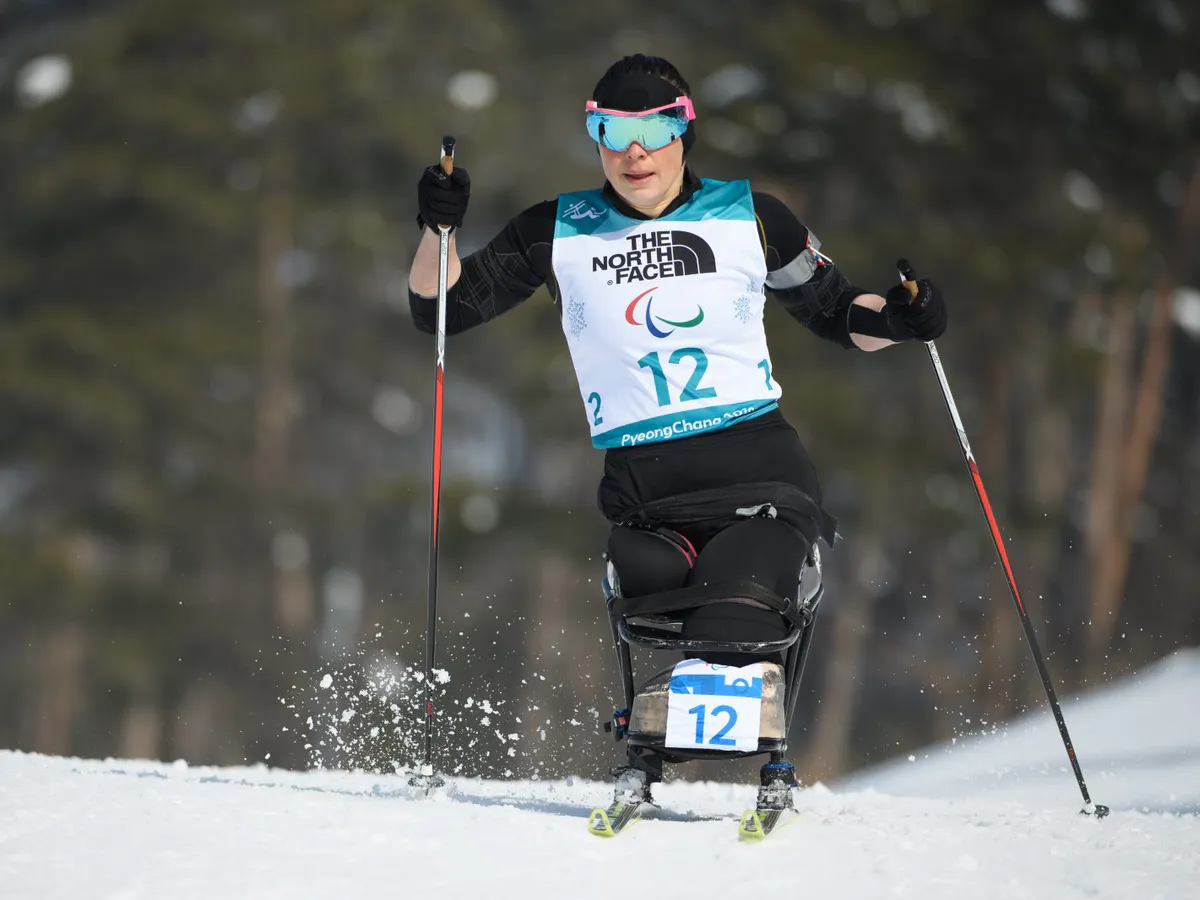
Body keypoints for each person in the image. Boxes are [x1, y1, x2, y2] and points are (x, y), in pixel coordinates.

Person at [408, 54, 947, 805]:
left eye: (656, 130)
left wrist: (900, 319)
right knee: (650, 597)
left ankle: (723, 734)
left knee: (733, 613)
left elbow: (833, 311)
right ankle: (656, 737)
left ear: (685, 132)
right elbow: (441, 310)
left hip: (756, 475)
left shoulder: (750, 216)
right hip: (644, 494)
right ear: (594, 135)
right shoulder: (555, 230)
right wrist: (437, 229)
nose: (635, 151)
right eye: (612, 129)